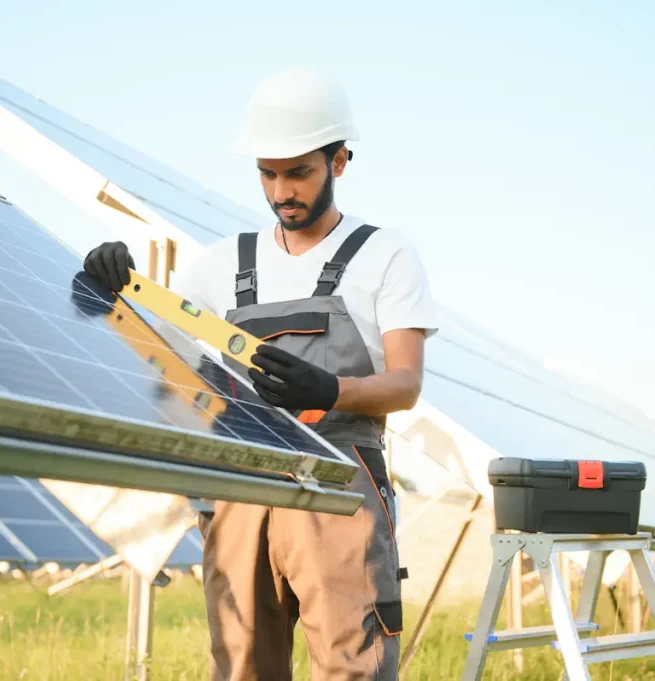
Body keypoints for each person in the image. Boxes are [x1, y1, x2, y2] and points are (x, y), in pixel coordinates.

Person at [82, 67, 438, 681]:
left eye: (298, 172)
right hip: (241, 480)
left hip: (340, 479)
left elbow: (406, 383)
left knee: (352, 665)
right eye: (268, 174)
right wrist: (108, 292)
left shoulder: (386, 253)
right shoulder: (223, 262)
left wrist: (331, 389)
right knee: (241, 664)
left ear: (340, 161)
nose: (281, 191)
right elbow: (162, 362)